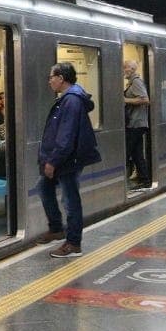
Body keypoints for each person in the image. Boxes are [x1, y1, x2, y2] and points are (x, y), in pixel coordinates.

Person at [37, 62, 100, 258]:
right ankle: (56, 228)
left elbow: (66, 135)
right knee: (44, 187)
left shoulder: (71, 101)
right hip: (64, 158)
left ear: (61, 79)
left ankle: (73, 243)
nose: (49, 81)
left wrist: (53, 161)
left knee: (70, 200)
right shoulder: (68, 98)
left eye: (51, 77)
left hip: (67, 160)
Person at [123, 59, 153, 190]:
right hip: (136, 123)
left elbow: (145, 99)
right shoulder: (132, 82)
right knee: (137, 153)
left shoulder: (136, 82)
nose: (124, 70)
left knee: (127, 151)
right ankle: (144, 180)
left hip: (137, 123)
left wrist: (125, 100)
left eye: (125, 68)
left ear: (131, 69)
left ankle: (126, 179)